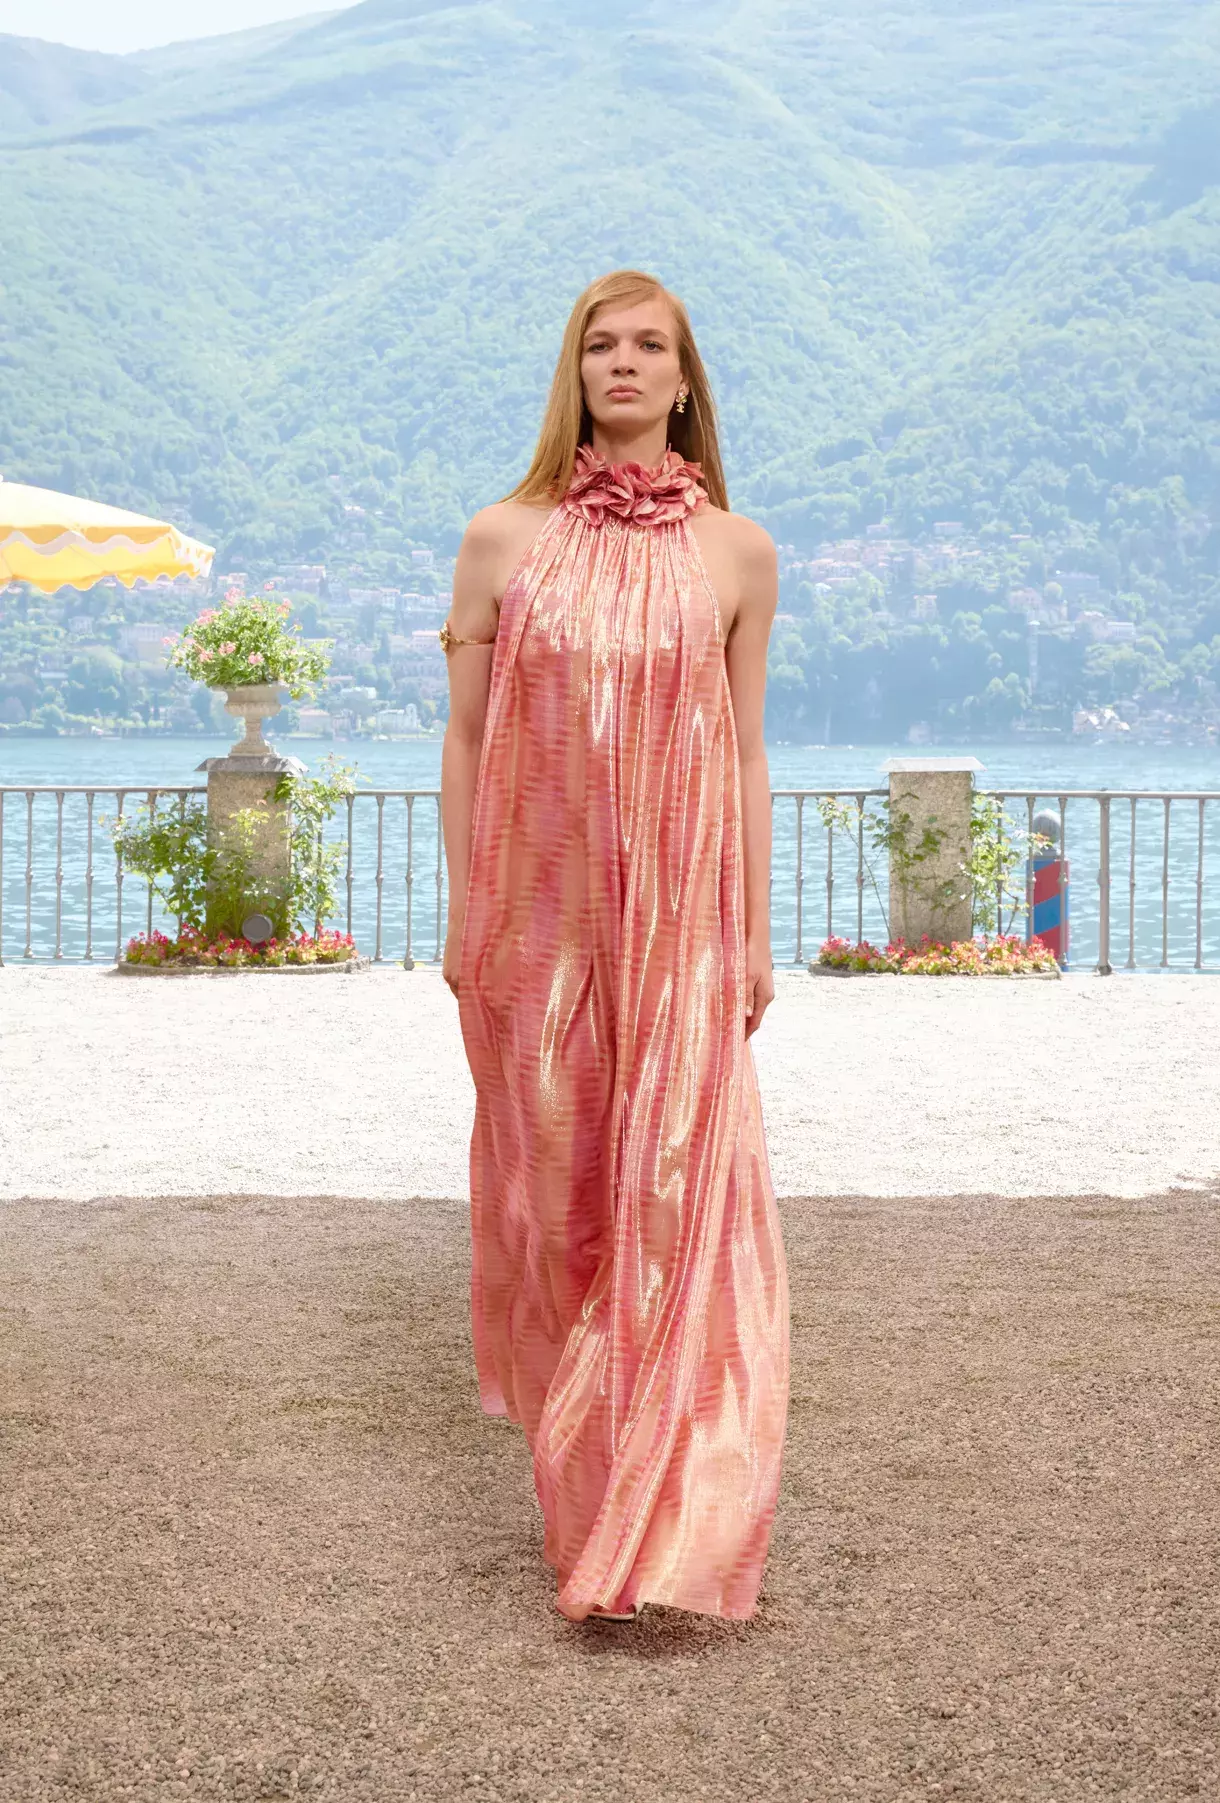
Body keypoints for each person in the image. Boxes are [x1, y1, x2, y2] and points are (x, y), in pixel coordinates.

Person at [440, 268, 789, 1624]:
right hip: (541, 927)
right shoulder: (501, 541)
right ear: (574, 372)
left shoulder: (739, 553)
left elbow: (745, 751)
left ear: (686, 381)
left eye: (650, 346)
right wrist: (467, 909)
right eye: (602, 345)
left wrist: (751, 932)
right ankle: (590, 1487)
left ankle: (673, 1519)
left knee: (677, 1199)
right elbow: (469, 735)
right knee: (557, 1200)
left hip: (686, 930)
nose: (624, 363)